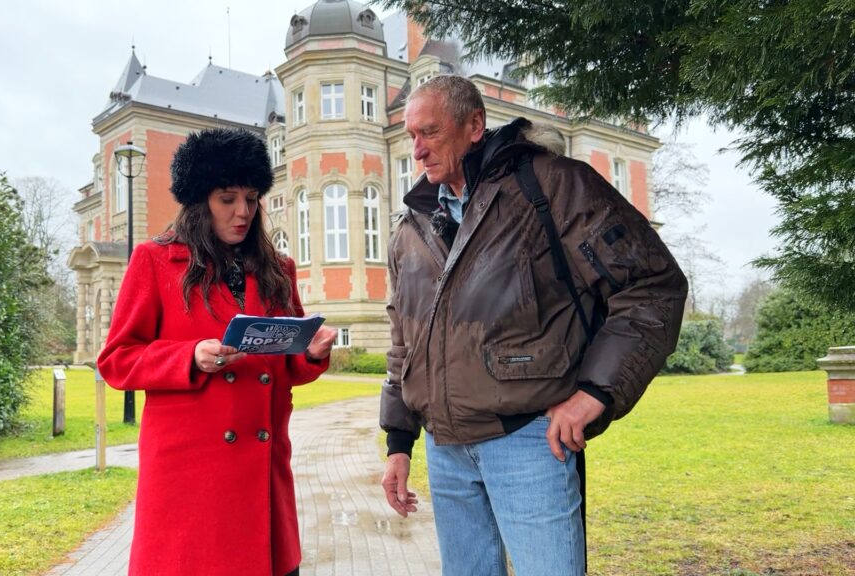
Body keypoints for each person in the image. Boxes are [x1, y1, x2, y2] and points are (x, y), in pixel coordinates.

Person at [379, 75, 688, 575]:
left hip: (528, 441)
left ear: (474, 125)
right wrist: (398, 443)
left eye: (430, 132)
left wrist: (595, 392)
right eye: (412, 135)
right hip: (445, 451)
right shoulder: (411, 226)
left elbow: (652, 285)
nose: (417, 150)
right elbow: (404, 340)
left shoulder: (551, 185)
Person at [98, 127, 337, 576]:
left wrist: (311, 353)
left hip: (263, 473)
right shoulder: (154, 260)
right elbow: (117, 359)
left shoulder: (278, 269)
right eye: (228, 199)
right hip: (191, 480)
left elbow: (285, 365)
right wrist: (189, 357)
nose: (243, 211)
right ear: (199, 200)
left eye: (251, 198)